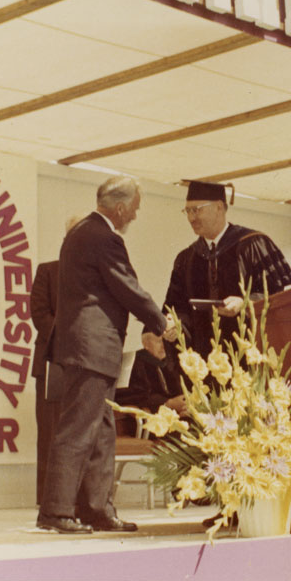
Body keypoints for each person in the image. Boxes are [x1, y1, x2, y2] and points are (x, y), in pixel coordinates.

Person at [38, 177, 175, 535]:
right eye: (134, 207)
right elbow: (125, 285)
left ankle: (97, 509)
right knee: (79, 428)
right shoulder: (104, 237)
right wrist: (160, 321)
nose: (136, 213)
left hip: (88, 347)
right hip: (91, 347)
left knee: (100, 431)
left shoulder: (81, 233)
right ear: (119, 208)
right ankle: (56, 511)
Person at [162, 180, 291, 358]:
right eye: (187, 211)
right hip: (205, 363)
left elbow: (286, 296)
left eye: (196, 210)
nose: (191, 218)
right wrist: (174, 323)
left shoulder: (254, 244)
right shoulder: (187, 258)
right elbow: (176, 306)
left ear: (218, 207)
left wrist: (246, 303)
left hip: (251, 359)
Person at [29, 216, 79, 506]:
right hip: (53, 363)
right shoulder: (47, 271)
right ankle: (48, 500)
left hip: (87, 365)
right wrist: (71, 338)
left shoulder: (97, 275)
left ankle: (77, 497)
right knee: (50, 434)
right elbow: (39, 314)